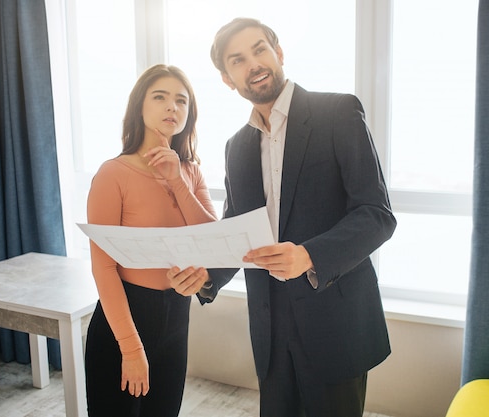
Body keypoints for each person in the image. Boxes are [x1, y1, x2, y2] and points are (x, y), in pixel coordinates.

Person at [168, 17, 397, 417]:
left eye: (260, 49)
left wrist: (309, 255)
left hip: (334, 325)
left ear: (279, 53)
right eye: (237, 60)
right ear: (227, 78)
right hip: (270, 333)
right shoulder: (236, 147)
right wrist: (205, 276)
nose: (253, 64)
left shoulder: (339, 112)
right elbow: (238, 230)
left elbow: (376, 215)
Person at [85, 64, 217, 417]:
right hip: (125, 319)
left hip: (177, 319)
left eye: (181, 100)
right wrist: (130, 348)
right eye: (160, 97)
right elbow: (104, 267)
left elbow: (213, 242)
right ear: (139, 107)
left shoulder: (190, 172)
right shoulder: (113, 173)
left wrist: (177, 180)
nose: (172, 107)